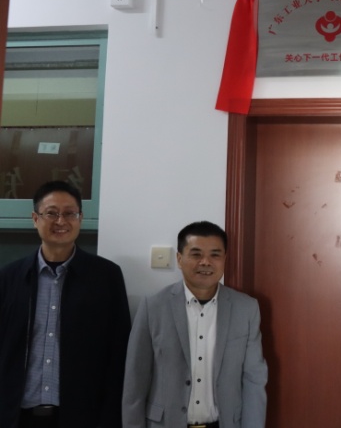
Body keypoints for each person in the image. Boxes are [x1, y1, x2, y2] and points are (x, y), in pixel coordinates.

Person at [0, 180, 131, 428]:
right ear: (35, 218)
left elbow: (119, 354)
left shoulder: (106, 277)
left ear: (80, 218)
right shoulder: (9, 278)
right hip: (17, 416)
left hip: (83, 417)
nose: (61, 221)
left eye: (70, 213)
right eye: (51, 213)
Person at [122, 220, 268, 428]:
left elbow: (254, 380)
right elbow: (135, 381)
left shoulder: (246, 309)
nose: (205, 262)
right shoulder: (152, 307)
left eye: (215, 255)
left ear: (225, 259)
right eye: (196, 254)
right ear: (179, 259)